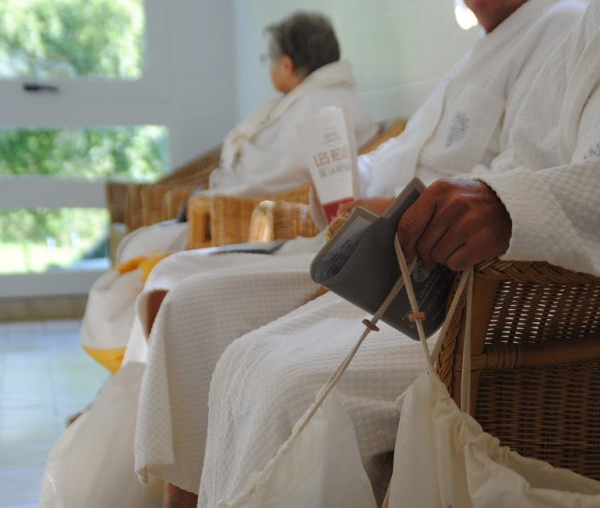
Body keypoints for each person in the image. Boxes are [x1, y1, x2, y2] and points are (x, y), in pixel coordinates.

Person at [193, 0, 600, 508]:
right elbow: (529, 153)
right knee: (252, 358)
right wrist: (455, 200)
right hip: (527, 289)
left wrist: (514, 208)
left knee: (292, 387)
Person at [126, 0, 586, 508]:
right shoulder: (477, 54)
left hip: (426, 261)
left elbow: (516, 182)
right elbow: (404, 152)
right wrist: (350, 183)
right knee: (186, 304)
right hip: (373, 234)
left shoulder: (560, 27)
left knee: (261, 364)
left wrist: (399, 207)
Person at [79, 11, 377, 369]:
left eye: (269, 59)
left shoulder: (316, 105)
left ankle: (134, 376)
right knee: (143, 254)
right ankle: (128, 382)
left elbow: (267, 175)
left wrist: (205, 201)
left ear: (286, 64)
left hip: (245, 220)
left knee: (142, 259)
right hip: (240, 210)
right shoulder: (328, 97)